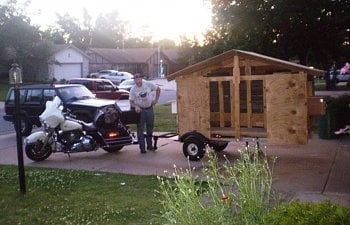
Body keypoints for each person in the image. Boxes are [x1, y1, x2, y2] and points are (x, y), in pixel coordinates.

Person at [129, 73, 161, 153]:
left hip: (149, 109)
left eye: (138, 78)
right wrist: (136, 107)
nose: (137, 80)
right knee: (140, 129)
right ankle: (142, 148)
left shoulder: (148, 84)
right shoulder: (133, 89)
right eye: (135, 79)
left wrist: (156, 100)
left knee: (150, 127)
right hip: (140, 111)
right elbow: (131, 102)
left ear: (141, 78)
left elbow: (158, 89)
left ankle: (150, 146)